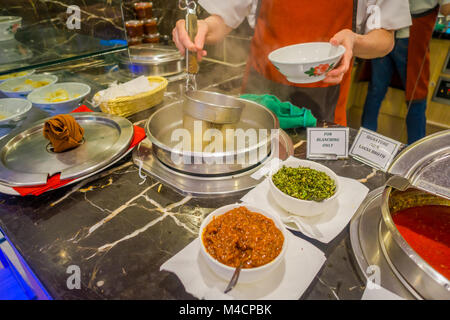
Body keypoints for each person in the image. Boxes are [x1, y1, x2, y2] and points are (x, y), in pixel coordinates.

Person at [173, 0, 412, 126]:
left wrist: (355, 41)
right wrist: (203, 27)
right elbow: (222, 20)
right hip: (259, 94)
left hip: (327, 96)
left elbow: (385, 38)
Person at [361, 0, 450, 144]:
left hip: (382, 31)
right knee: (416, 95)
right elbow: (447, 9)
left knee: (375, 91)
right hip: (410, 35)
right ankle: (416, 152)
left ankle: (363, 143)